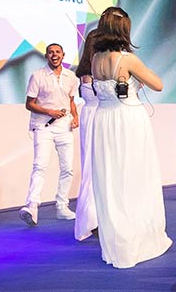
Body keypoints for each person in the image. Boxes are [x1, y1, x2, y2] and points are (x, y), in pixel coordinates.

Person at [90, 6, 172, 268]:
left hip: (103, 122)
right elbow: (158, 84)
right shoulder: (127, 60)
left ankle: (118, 243)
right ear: (124, 29)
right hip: (128, 121)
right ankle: (138, 241)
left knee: (111, 182)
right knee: (135, 179)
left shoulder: (95, 58)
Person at [19, 43, 79, 226]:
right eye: (51, 52)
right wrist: (49, 111)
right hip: (43, 126)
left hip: (64, 126)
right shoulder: (38, 76)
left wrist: (76, 117)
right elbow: (29, 104)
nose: (54, 55)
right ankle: (32, 206)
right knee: (40, 166)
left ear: (63, 55)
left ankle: (62, 206)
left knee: (67, 168)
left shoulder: (71, 77)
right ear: (46, 56)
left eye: (57, 52)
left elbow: (71, 101)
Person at [74, 29, 99, 241]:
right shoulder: (95, 70)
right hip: (96, 117)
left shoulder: (86, 69)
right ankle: (93, 219)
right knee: (94, 168)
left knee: (92, 167)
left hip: (89, 116)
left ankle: (93, 218)